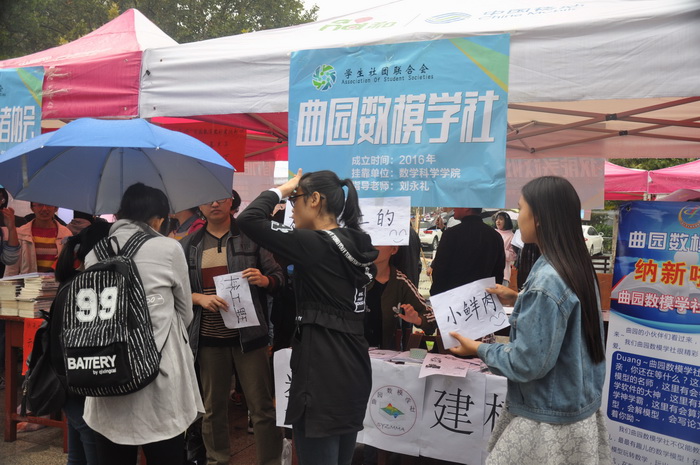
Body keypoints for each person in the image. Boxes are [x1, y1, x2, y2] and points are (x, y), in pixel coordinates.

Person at [449, 176, 610, 465]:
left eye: (521, 208)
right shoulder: (576, 265)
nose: (517, 216)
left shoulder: (547, 280)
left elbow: (527, 363)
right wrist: (518, 297)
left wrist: (478, 348)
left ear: (540, 217)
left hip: (546, 423)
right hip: (578, 412)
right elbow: (564, 320)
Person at [237, 169, 378, 465]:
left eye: (295, 199)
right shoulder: (358, 241)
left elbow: (248, 219)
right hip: (354, 367)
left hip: (321, 371)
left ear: (314, 199)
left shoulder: (315, 244)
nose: (291, 208)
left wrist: (283, 188)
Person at [82, 183, 204, 465]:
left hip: (105, 374)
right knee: (165, 453)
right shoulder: (168, 248)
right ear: (158, 219)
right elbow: (185, 313)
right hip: (157, 377)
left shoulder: (94, 253)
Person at [179, 192, 283, 465]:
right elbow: (176, 290)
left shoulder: (252, 238)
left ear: (231, 202)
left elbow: (279, 276)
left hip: (249, 336)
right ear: (199, 205)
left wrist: (264, 280)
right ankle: (217, 460)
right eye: (207, 199)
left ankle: (270, 461)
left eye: (220, 198)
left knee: (261, 407)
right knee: (213, 408)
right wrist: (198, 298)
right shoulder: (189, 244)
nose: (214, 203)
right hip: (208, 337)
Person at [52, 221, 112, 465]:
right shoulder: (85, 289)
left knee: (77, 450)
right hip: (77, 384)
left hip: (69, 383)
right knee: (89, 437)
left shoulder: (73, 282)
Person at [365, 245, 435, 350]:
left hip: (385, 354)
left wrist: (417, 319)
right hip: (350, 351)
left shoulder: (400, 281)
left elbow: (430, 317)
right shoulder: (352, 277)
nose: (373, 245)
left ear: (394, 249)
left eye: (380, 241)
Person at [428, 208, 505, 295]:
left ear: (467, 208)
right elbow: (498, 273)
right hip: (483, 297)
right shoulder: (495, 236)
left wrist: (436, 295)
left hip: (454, 297)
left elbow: (440, 270)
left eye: (458, 204)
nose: (454, 208)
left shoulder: (451, 234)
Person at [3, 202, 72, 277]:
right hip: (28, 283)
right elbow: (12, 269)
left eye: (48, 204)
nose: (44, 209)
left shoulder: (66, 234)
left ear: (56, 208)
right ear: (32, 208)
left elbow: (69, 265)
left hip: (57, 282)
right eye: (39, 205)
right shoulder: (21, 233)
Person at [493, 212, 517, 288]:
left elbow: (513, 256)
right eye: (497, 219)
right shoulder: (492, 233)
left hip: (504, 274)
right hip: (489, 272)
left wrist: (499, 250)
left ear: (506, 222)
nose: (498, 221)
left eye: (501, 219)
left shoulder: (512, 236)